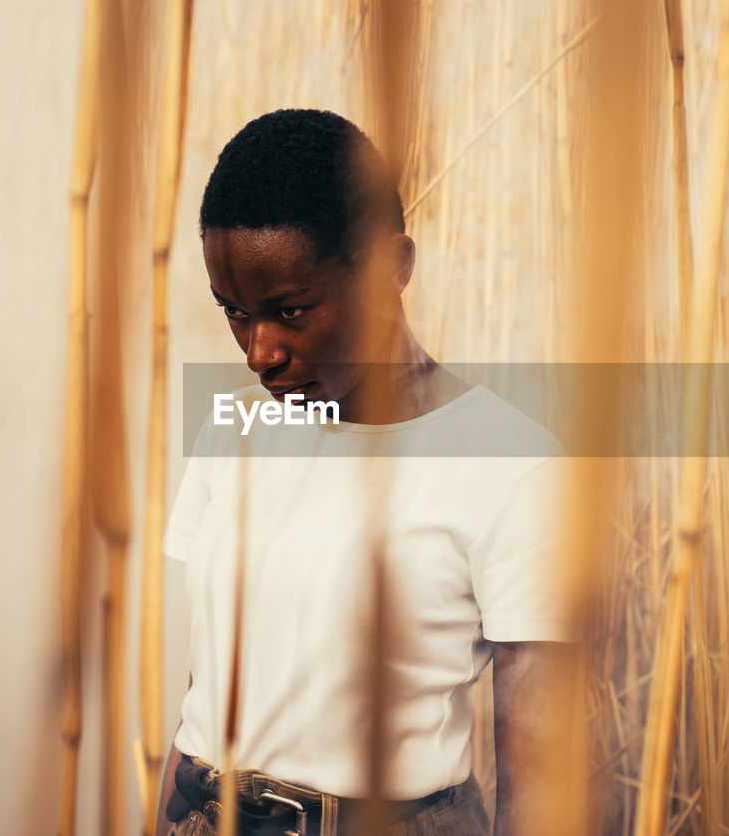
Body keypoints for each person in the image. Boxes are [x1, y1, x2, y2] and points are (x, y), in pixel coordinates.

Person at [154, 109, 579, 836]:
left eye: (289, 310)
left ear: (393, 267)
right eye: (235, 312)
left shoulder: (514, 464)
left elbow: (542, 788)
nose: (259, 352)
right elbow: (206, 686)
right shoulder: (231, 426)